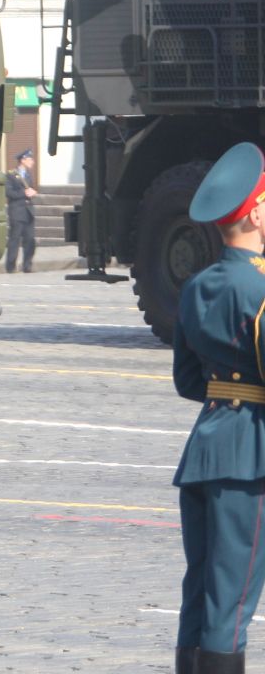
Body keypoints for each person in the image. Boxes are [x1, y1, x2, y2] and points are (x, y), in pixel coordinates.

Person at [172, 142, 265, 674]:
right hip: (249, 455)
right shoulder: (259, 288)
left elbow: (189, 380)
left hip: (205, 445)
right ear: (254, 213)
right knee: (232, 600)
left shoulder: (197, 286)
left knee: (202, 588)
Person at [4, 149, 39, 273]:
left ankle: (27, 265)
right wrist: (24, 193)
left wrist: (33, 192)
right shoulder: (11, 175)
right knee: (15, 239)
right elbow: (8, 192)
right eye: (30, 159)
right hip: (17, 211)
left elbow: (31, 188)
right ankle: (10, 266)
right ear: (23, 160)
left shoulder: (28, 175)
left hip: (28, 211)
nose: (32, 162)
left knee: (30, 239)